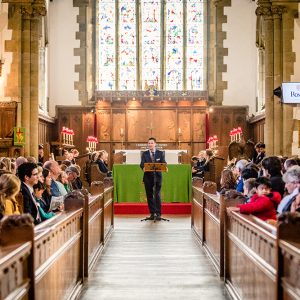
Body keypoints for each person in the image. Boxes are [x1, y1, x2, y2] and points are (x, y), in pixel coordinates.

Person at [140, 137, 167, 220]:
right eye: (149, 143)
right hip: (148, 177)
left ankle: (158, 213)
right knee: (149, 195)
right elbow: (142, 164)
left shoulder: (160, 153)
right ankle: (152, 213)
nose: (150, 144)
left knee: (157, 194)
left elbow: (164, 162)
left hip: (157, 177)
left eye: (152, 143)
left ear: (155, 144)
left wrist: (166, 167)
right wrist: (143, 167)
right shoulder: (144, 154)